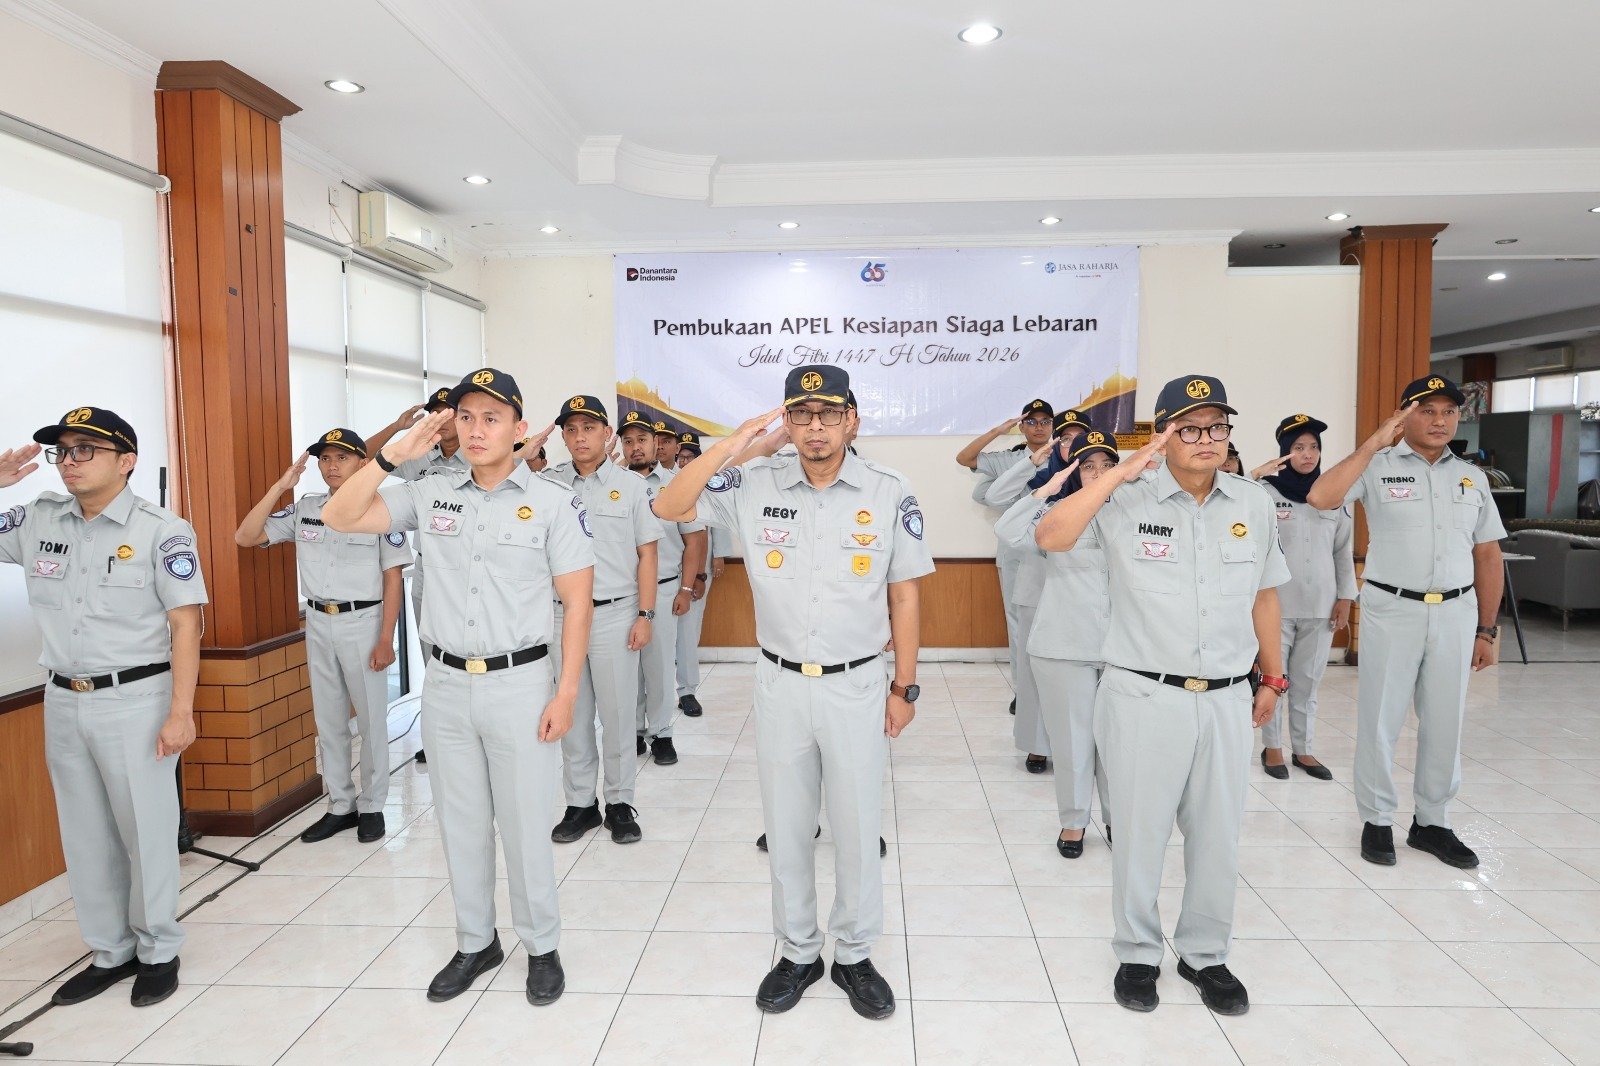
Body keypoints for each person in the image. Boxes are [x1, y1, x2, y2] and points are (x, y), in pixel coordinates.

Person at [653, 364, 933, 1021]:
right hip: (780, 682)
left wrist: (905, 686)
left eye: (828, 414)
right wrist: (735, 445)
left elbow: (904, 595)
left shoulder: (889, 490)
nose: (815, 427)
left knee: (857, 827)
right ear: (786, 421)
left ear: (851, 420)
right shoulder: (752, 483)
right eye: (800, 415)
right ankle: (799, 951)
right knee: (786, 825)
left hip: (858, 683)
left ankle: (855, 954)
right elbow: (669, 505)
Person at [321, 367, 593, 1007]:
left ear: (518, 428)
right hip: (445, 684)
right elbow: (339, 514)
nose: (476, 430)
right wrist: (390, 456)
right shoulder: (430, 493)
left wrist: (565, 695)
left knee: (525, 824)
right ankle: (476, 941)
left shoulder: (553, 502)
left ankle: (542, 945)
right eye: (465, 417)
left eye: (491, 418)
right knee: (461, 821)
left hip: (521, 683)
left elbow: (577, 604)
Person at [1036, 375, 1289, 1017]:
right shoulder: (1124, 499)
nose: (1206, 439)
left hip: (1226, 697)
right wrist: (1118, 475)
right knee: (1140, 834)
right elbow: (1051, 536)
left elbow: (1264, 593)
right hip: (1143, 695)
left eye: (1217, 427)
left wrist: (1273, 676)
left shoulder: (1253, 503)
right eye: (1190, 428)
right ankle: (1138, 952)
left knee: (1217, 837)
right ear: (1163, 434)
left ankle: (1204, 954)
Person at [0, 408, 207, 1008]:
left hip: (135, 699)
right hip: (63, 697)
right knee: (85, 832)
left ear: (126, 461)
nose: (69, 462)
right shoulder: (39, 518)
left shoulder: (162, 530)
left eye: (85, 450)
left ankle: (158, 950)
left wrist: (181, 711)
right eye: (62, 451)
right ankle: (110, 951)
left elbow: (186, 623)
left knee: (146, 830)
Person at [1307, 376, 1504, 869]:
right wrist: (1373, 443)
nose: (1439, 421)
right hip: (1393, 609)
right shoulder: (1376, 467)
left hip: (1456, 613)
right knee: (1380, 719)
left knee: (1445, 721)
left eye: (1448, 412)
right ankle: (1376, 820)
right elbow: (1321, 498)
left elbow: (1487, 554)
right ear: (1404, 416)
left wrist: (1486, 629)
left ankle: (1432, 823)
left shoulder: (1472, 478)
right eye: (1427, 410)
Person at [234, 428, 411, 842]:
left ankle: (373, 805)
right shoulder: (306, 509)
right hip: (318, 623)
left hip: (364, 622)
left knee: (370, 720)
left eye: (342, 458)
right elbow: (245, 536)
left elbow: (393, 578)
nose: (332, 466)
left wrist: (386, 638)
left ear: (363, 463)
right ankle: (340, 805)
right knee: (329, 721)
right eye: (325, 459)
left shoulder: (381, 511)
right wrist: (281, 486)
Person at [545, 395, 663, 845]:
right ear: (563, 436)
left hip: (614, 614)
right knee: (570, 712)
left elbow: (647, 554)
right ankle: (580, 804)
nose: (580, 437)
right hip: (561, 617)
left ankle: (619, 802)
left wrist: (645, 614)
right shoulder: (549, 485)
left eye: (589, 428)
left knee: (617, 715)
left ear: (606, 434)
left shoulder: (632, 487)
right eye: (571, 430)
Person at [997, 430, 1118, 856]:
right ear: (1074, 471)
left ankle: (1118, 819)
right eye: (1089, 466)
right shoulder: (1056, 513)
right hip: (1064, 646)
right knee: (1071, 742)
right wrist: (1046, 490)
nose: (1098, 474)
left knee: (1119, 745)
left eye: (1107, 465)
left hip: (1122, 650)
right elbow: (1007, 530)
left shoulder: (1133, 512)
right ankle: (1073, 822)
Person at [983, 409, 1094, 769]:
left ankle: (1083, 746)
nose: (1070, 445)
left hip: (1084, 595)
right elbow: (995, 497)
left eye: (1078, 439)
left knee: (1082, 675)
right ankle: (1037, 744)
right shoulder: (1040, 481)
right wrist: (1032, 463)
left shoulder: (1101, 484)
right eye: (1065, 438)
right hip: (1037, 591)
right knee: (1033, 672)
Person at [1250, 414, 1355, 781]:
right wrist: (1255, 476)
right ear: (1284, 452)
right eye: (1298, 448)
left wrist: (1346, 597)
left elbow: (1342, 550)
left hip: (1321, 604)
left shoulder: (1333, 493)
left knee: (1308, 682)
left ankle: (1304, 749)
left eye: (1313, 447)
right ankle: (1272, 747)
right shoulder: (1266, 493)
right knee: (1273, 680)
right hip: (1275, 605)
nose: (1307, 454)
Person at [367, 388, 467, 767]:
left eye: (448, 412)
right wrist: (397, 429)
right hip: (429, 568)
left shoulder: (479, 456)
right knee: (433, 658)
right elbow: (362, 460)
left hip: (470, 567)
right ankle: (439, 737)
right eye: (435, 413)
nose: (442, 420)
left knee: (470, 653)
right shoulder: (419, 459)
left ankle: (470, 734)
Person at [618, 411, 708, 765]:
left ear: (656, 443)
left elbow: (694, 541)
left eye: (642, 440)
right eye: (628, 441)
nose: (635, 448)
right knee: (628, 669)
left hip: (665, 588)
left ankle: (661, 734)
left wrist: (685, 589)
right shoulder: (613, 485)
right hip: (624, 593)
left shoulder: (677, 484)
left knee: (658, 667)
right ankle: (634, 732)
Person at [958, 399, 1057, 717]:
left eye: (1045, 421)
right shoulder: (1008, 459)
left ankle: (1054, 688)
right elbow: (965, 459)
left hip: (1061, 550)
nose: (1039, 427)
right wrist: (998, 430)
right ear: (1022, 426)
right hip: (1017, 553)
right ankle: (1023, 690)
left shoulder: (1066, 454)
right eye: (1032, 421)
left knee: (1059, 621)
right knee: (1018, 625)